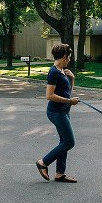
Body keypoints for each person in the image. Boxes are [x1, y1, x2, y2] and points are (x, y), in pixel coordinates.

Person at [35, 43, 80, 183]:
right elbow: (49, 95)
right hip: (56, 112)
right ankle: (43, 162)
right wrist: (69, 101)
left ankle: (60, 174)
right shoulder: (54, 72)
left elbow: (68, 92)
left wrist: (72, 78)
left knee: (64, 141)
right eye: (69, 57)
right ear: (65, 56)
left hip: (64, 110)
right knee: (69, 142)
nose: (70, 60)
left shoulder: (62, 71)